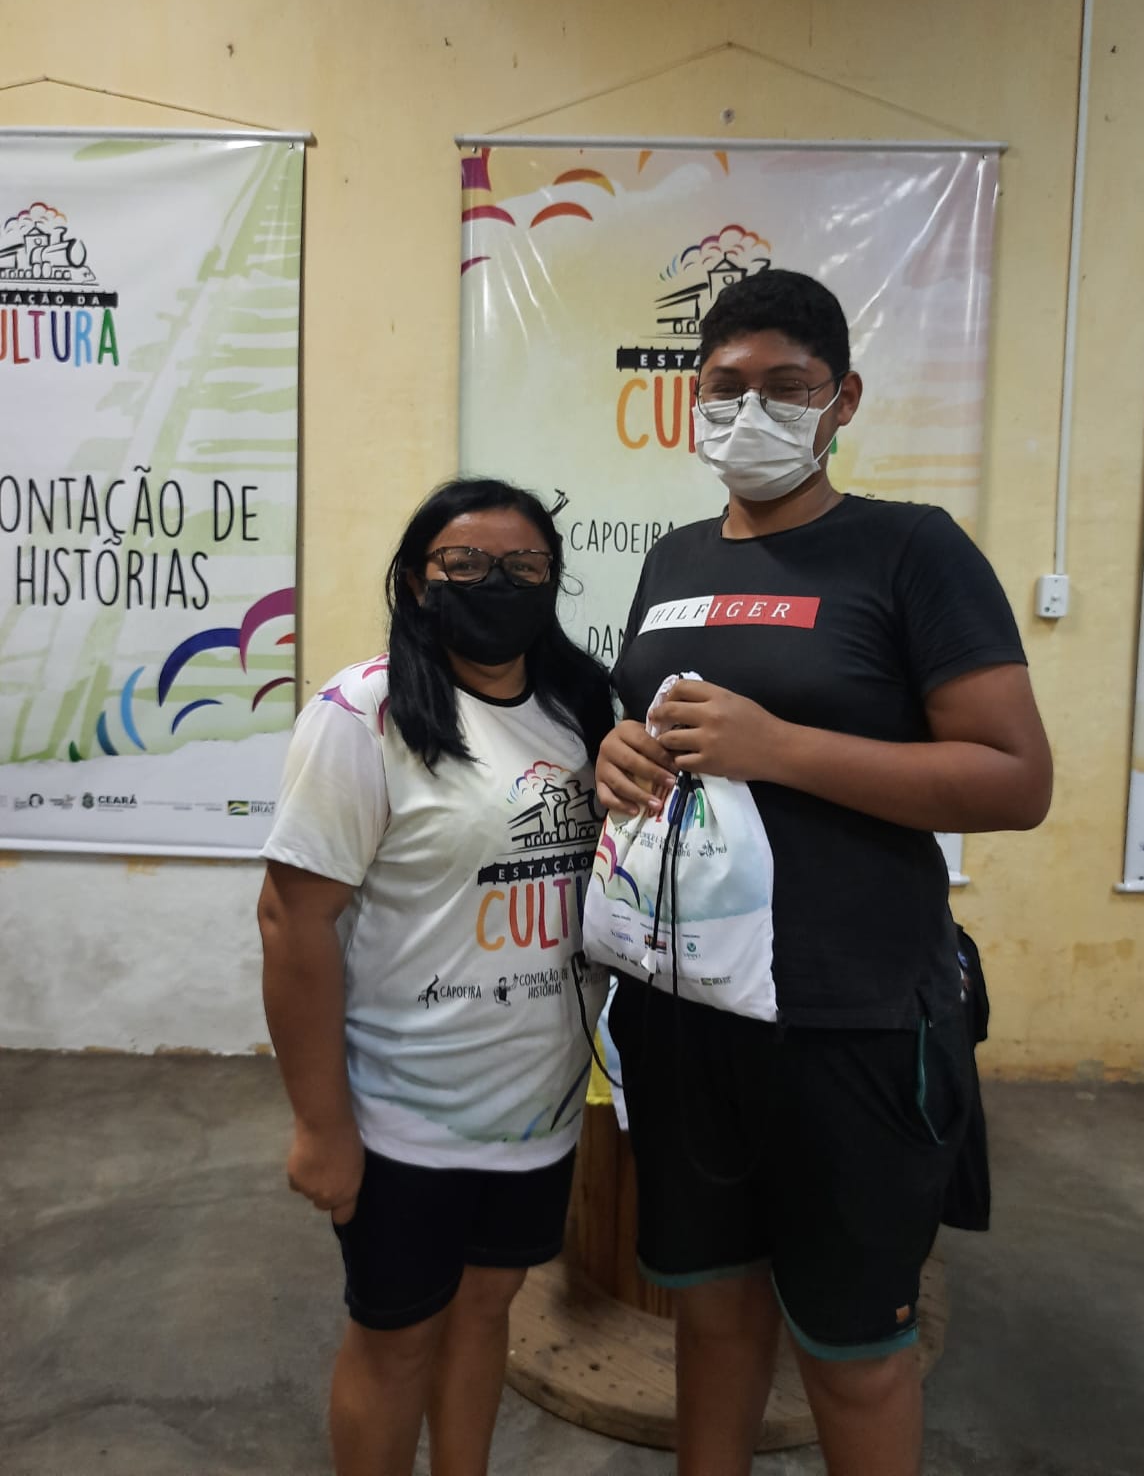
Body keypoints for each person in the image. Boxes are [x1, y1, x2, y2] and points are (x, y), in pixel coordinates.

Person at [595, 270, 1053, 1476]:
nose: (749, 410)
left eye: (786, 386)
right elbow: (649, 719)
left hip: (851, 1019)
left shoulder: (911, 549)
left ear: (842, 400)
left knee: (854, 1355)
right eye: (725, 385)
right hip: (685, 1011)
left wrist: (783, 748)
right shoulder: (672, 558)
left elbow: (1015, 779)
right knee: (712, 1315)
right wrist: (617, 751)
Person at [258, 477, 612, 1476]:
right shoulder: (361, 713)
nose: (498, 583)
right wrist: (321, 1124)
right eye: (467, 564)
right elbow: (292, 921)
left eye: (525, 566)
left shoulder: (581, 707)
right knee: (398, 1336)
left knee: (488, 1306)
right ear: (419, 582)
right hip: (402, 1113)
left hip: (536, 1104)